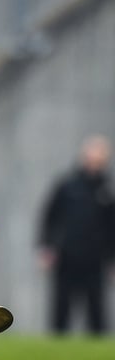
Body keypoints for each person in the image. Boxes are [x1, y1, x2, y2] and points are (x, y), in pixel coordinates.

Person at [38, 134, 114, 336]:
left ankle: (98, 353)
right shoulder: (67, 185)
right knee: (61, 306)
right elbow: (49, 217)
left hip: (95, 258)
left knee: (96, 309)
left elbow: (111, 228)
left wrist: (112, 260)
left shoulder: (107, 189)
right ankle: (56, 347)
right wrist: (46, 247)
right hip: (67, 255)